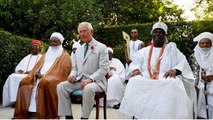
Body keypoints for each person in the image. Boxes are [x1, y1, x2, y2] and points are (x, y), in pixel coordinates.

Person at [119, 19, 196, 119]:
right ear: (152, 35)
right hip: (146, 76)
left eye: (161, 32)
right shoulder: (144, 50)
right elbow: (134, 62)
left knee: (173, 84)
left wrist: (174, 70)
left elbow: (182, 62)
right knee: (134, 81)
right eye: (155, 32)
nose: (158, 34)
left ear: (165, 35)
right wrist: (136, 70)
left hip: (165, 76)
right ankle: (139, 115)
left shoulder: (171, 49)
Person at [57, 22, 109, 119]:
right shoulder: (79, 50)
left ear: (91, 32)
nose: (82, 34)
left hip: (97, 82)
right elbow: (75, 68)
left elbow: (104, 68)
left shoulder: (101, 47)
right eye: (80, 32)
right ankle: (68, 117)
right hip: (79, 80)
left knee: (88, 88)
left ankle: (84, 118)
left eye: (84, 31)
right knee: (61, 87)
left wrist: (90, 79)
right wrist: (72, 75)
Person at [13, 32, 72, 119]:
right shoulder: (46, 54)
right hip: (39, 77)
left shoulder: (65, 55)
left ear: (60, 43)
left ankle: (47, 113)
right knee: (24, 82)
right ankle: (26, 111)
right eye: (51, 41)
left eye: (55, 42)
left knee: (44, 82)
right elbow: (37, 67)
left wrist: (46, 76)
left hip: (54, 79)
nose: (53, 44)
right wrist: (37, 73)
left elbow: (63, 72)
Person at [2, 40, 42, 107]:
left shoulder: (42, 57)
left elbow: (43, 69)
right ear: (31, 48)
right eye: (33, 46)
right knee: (12, 77)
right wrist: (23, 71)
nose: (34, 47)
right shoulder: (27, 57)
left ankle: (26, 101)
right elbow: (18, 68)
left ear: (39, 47)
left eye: (36, 46)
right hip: (24, 74)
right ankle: (15, 101)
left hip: (34, 75)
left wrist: (32, 72)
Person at [188, 32, 213, 119]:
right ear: (199, 44)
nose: (205, 45)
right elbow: (190, 72)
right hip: (199, 85)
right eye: (202, 43)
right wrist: (200, 77)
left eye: (207, 43)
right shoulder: (193, 57)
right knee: (201, 111)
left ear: (211, 43)